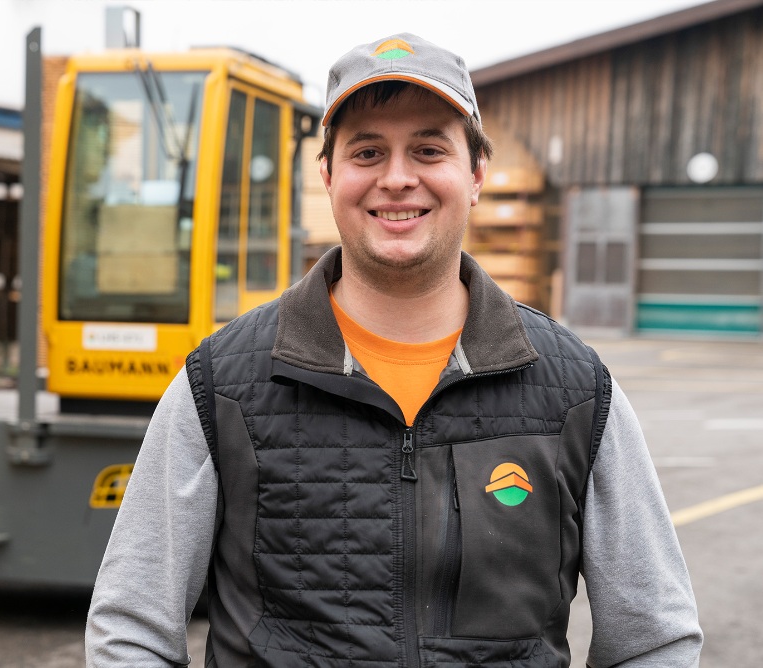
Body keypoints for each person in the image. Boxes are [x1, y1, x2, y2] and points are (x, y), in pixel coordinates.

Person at [86, 33, 703, 667]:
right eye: (368, 151)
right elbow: (133, 627)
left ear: (476, 175)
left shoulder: (574, 390)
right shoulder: (220, 385)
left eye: (429, 150)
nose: (398, 178)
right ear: (328, 175)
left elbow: (653, 637)